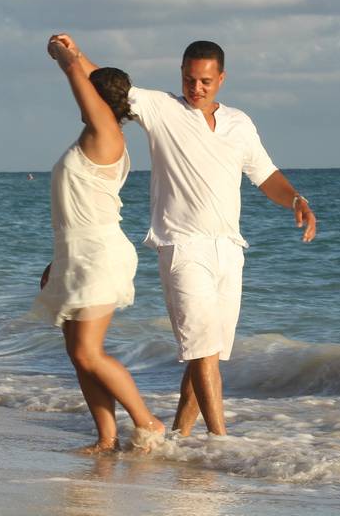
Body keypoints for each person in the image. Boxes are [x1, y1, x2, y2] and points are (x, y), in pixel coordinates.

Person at [48, 34, 317, 438]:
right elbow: (106, 83)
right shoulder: (162, 108)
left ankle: (180, 442)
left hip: (229, 249)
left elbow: (265, 174)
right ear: (181, 75)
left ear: (221, 79)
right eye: (190, 79)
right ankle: (221, 443)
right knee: (203, 354)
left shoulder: (239, 124)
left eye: (205, 81)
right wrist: (73, 54)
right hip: (182, 246)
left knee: (206, 358)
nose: (196, 88)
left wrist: (295, 199)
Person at [34, 39, 164, 453]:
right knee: (79, 354)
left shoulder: (105, 132)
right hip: (77, 253)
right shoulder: (92, 137)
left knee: (89, 353)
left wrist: (64, 53)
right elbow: (75, 207)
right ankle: (106, 439)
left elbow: (76, 74)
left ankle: (147, 423)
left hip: (99, 255)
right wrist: (58, 261)